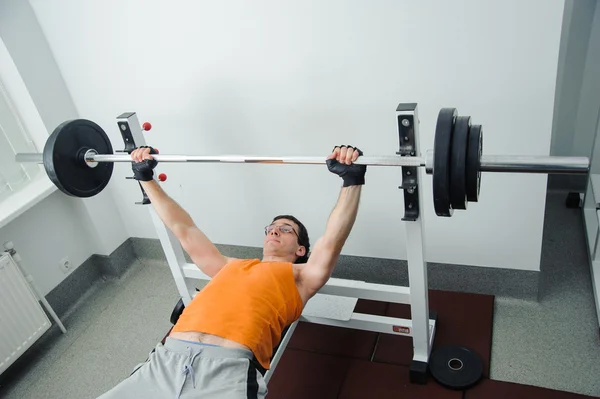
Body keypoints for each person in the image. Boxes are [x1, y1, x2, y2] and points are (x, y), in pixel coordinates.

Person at [97, 144, 367, 399]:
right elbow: (184, 228)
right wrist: (145, 177)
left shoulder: (302, 277)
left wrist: (351, 180)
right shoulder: (228, 266)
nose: (274, 230)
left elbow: (333, 237)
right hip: (165, 360)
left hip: (229, 371)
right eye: (271, 227)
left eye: (286, 229)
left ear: (300, 250)